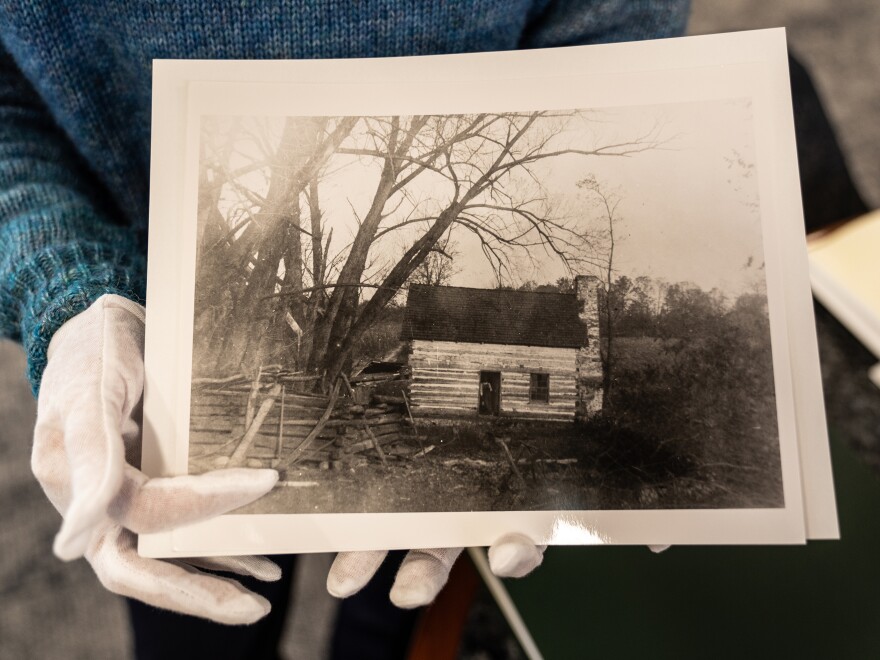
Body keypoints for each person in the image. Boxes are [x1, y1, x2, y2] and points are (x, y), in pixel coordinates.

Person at [0, 2, 690, 658]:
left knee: (394, 605)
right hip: (158, 388)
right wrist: (66, 288)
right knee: (196, 620)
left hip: (407, 495)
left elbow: (615, 22)